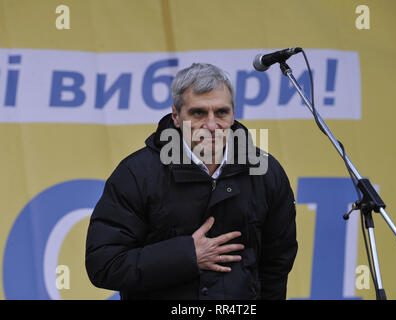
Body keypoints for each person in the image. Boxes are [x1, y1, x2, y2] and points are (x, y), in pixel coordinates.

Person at [85, 63, 298, 300]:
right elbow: (103, 264)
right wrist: (187, 256)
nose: (211, 125)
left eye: (221, 112)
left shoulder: (266, 172)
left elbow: (277, 265)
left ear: (233, 113)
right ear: (176, 116)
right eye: (198, 113)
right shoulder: (136, 173)